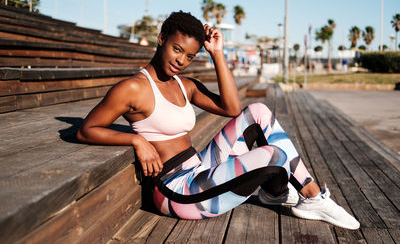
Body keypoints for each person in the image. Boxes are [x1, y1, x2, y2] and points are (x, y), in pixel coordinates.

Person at [77, 11, 360, 230]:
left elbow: (232, 108)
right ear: (161, 39)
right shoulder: (133, 88)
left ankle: (300, 196)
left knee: (258, 111)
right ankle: (306, 196)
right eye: (177, 49)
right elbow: (86, 130)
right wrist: (136, 139)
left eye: (189, 56)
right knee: (272, 155)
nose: (181, 60)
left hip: (199, 167)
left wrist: (216, 53)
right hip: (176, 192)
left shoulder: (183, 84)